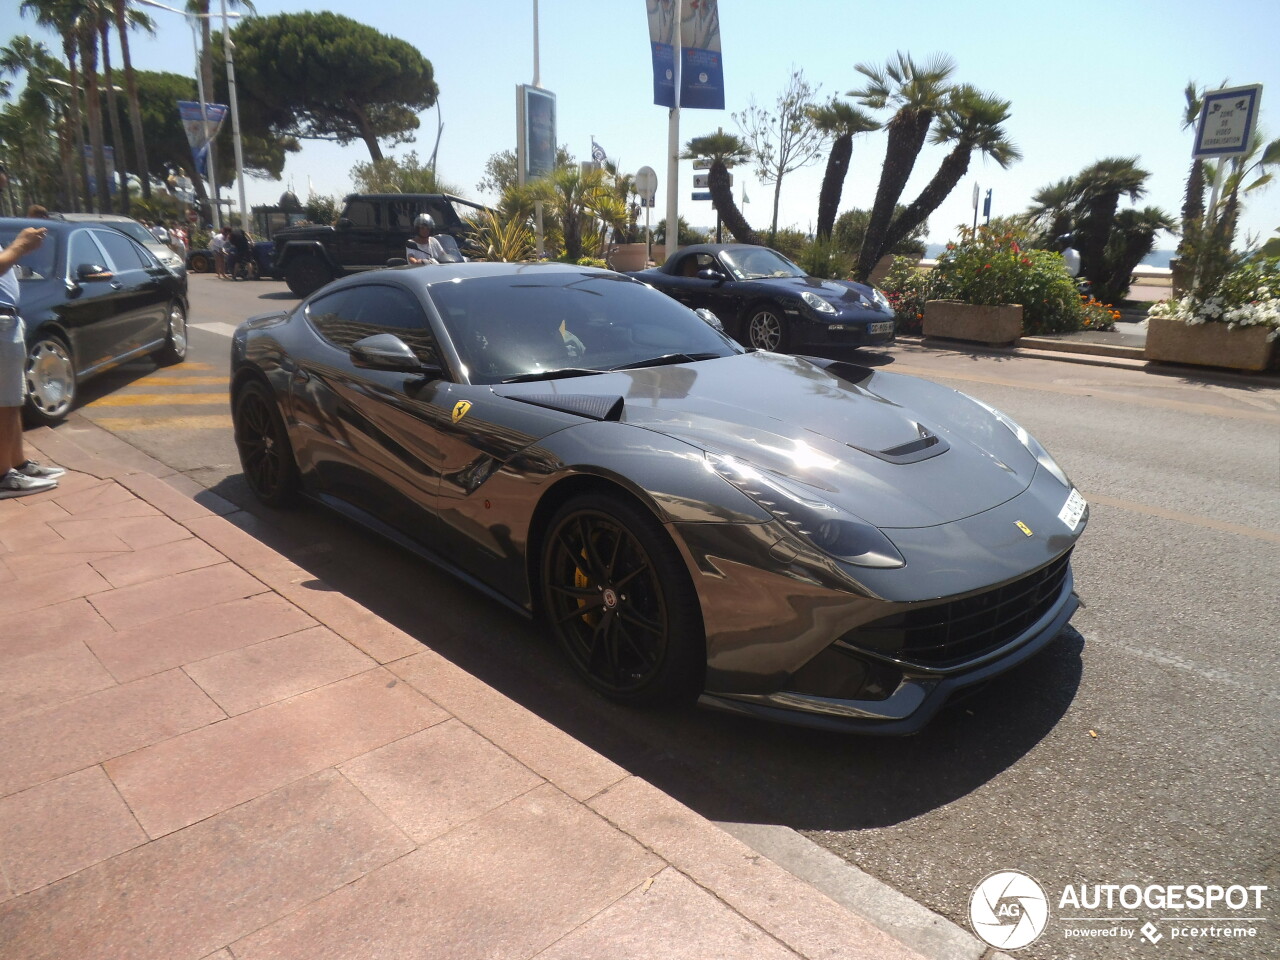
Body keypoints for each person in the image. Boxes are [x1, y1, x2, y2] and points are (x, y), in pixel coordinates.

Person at [0, 219, 64, 499]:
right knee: (3, 402)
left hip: (8, 322)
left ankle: (17, 464)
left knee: (12, 401)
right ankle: (2, 476)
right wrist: (20, 246)